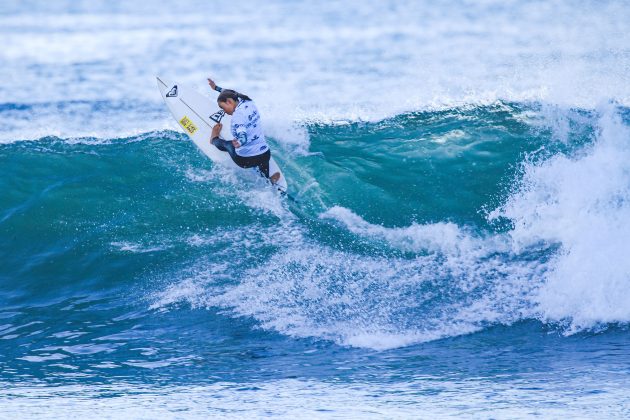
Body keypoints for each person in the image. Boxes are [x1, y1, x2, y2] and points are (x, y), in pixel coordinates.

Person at [207, 77, 280, 184]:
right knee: (263, 160)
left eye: (223, 108)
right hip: (265, 154)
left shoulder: (238, 116)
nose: (224, 112)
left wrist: (240, 141)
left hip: (245, 160)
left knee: (227, 145)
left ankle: (213, 138)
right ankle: (267, 180)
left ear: (229, 102)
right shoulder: (249, 102)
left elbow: (242, 134)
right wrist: (216, 88)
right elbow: (233, 93)